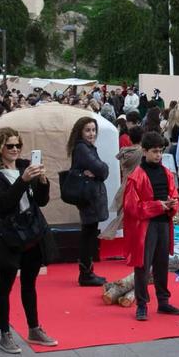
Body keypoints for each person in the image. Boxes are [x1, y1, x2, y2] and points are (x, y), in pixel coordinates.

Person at [0, 128, 55, 352]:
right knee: (5, 285)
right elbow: (3, 205)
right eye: (9, 146)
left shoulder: (25, 165)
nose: (14, 150)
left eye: (17, 145)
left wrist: (42, 181)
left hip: (32, 231)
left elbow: (41, 202)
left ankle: (34, 328)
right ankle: (5, 332)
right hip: (9, 235)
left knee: (29, 283)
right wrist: (22, 181)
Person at [119, 132, 179, 323]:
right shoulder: (136, 177)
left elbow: (175, 194)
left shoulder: (166, 173)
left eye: (160, 151)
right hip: (145, 228)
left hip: (163, 223)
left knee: (162, 264)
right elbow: (132, 207)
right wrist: (158, 206)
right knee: (143, 266)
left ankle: (163, 301)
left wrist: (173, 204)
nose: (158, 155)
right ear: (144, 151)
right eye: (154, 151)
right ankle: (141, 304)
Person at [65, 117, 110, 287]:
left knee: (90, 233)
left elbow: (100, 169)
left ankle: (88, 271)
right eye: (88, 130)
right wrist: (100, 170)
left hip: (89, 196)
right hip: (87, 197)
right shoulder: (82, 149)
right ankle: (85, 274)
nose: (92, 133)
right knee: (88, 234)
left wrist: (100, 170)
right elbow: (102, 169)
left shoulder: (87, 148)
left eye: (93, 130)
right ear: (80, 132)